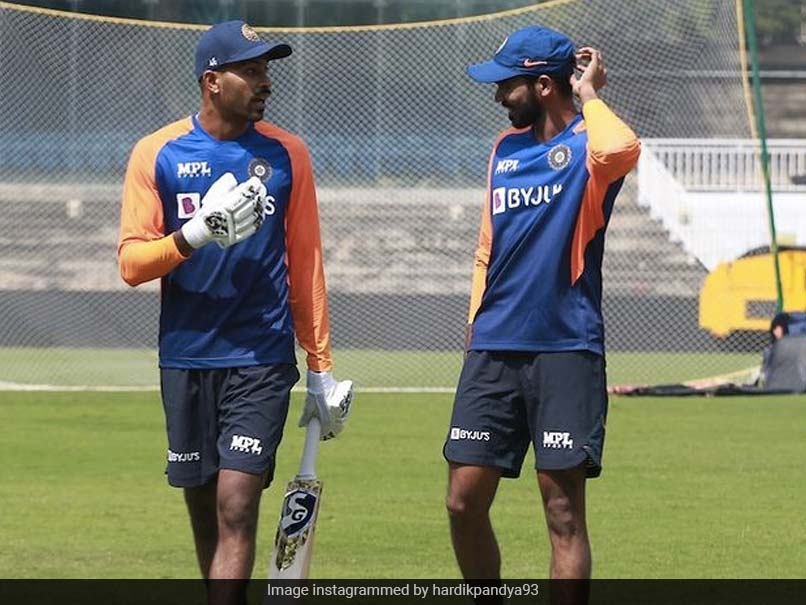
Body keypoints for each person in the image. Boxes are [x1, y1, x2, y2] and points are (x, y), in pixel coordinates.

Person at [117, 20, 352, 601]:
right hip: (186, 356)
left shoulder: (287, 154)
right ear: (212, 81)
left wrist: (320, 367)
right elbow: (131, 265)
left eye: (266, 70)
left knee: (236, 504)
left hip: (260, 358)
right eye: (251, 71)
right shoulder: (157, 153)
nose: (264, 82)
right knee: (204, 509)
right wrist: (191, 236)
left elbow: (307, 262)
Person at [443, 24, 641, 595]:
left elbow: (622, 148)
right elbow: (488, 246)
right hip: (494, 348)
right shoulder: (503, 150)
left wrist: (593, 94)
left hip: (566, 349)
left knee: (562, 514)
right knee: (462, 502)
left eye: (509, 84)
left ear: (545, 86)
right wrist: (474, 325)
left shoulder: (590, 149)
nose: (499, 95)